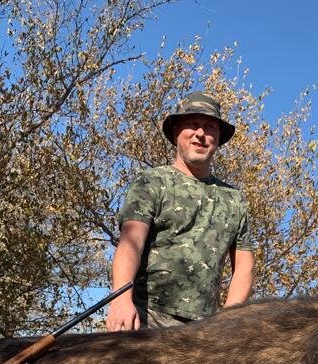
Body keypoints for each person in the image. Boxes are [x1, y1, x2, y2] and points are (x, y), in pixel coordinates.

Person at [105, 91, 256, 331]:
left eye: (209, 127)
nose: (201, 133)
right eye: (193, 124)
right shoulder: (152, 181)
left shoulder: (234, 199)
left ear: (217, 138)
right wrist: (121, 299)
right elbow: (131, 241)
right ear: (176, 132)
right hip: (147, 316)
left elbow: (244, 265)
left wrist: (227, 323)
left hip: (204, 330)